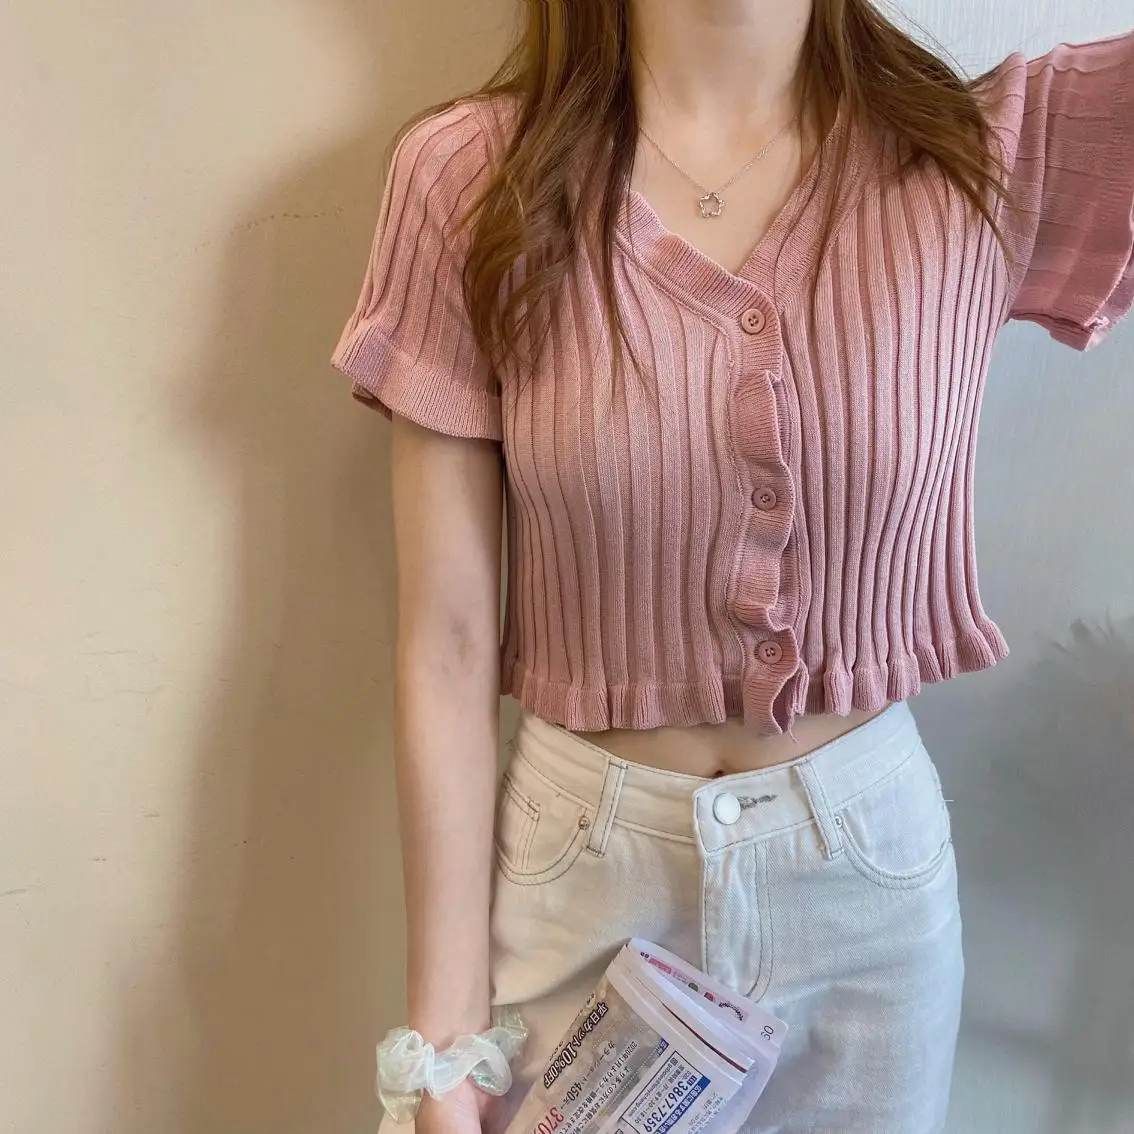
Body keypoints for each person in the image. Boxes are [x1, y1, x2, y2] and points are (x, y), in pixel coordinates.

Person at [330, 2, 1134, 1131]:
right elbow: (449, 646)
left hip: (868, 901)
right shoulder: (470, 179)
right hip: (584, 883)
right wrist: (443, 1050)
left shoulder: (995, 155)